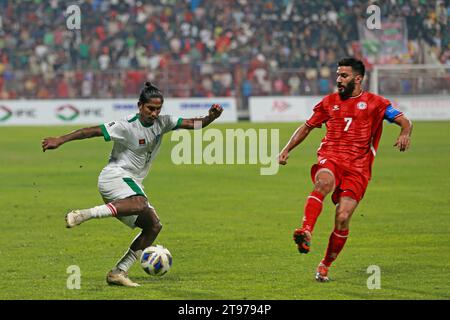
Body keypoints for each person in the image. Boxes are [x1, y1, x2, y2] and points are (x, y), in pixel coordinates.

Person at [42, 82, 223, 287]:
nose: (154, 113)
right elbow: (91, 131)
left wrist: (210, 117)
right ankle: (83, 214)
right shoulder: (126, 125)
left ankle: (118, 272)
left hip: (131, 182)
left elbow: (193, 124)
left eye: (158, 109)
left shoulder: (163, 123)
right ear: (140, 106)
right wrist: (60, 140)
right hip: (114, 176)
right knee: (140, 204)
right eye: (150, 108)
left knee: (153, 226)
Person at [278, 58, 413, 282]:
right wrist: (286, 149)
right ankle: (306, 230)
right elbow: (307, 127)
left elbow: (403, 121)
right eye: (338, 75)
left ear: (358, 79)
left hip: (358, 168)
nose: (338, 80)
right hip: (331, 157)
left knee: (342, 217)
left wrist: (405, 133)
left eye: (344, 76)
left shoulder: (376, 103)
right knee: (323, 183)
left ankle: (325, 265)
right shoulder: (328, 102)